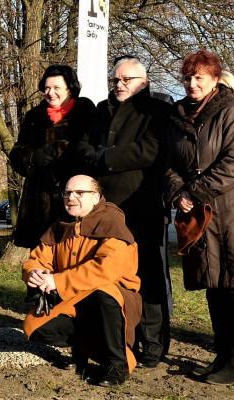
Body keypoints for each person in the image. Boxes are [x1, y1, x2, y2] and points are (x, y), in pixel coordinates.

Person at [163, 50, 234, 384]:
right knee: (214, 286)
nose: (193, 84)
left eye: (200, 77)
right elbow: (168, 163)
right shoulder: (177, 117)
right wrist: (177, 191)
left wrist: (192, 192)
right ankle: (223, 356)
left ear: (215, 79)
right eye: (188, 77)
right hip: (201, 219)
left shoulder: (232, 113)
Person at [87, 57, 171, 368]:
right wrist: (94, 156)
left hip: (142, 205)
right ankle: (119, 339)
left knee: (147, 276)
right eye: (116, 80)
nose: (119, 84)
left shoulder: (158, 111)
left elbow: (150, 150)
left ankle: (153, 344)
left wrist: (105, 156)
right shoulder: (101, 110)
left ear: (144, 82)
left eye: (127, 79)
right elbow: (84, 147)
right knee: (108, 273)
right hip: (105, 208)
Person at [23, 175, 142, 387]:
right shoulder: (60, 225)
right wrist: (35, 274)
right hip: (73, 297)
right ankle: (81, 352)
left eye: (80, 193)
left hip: (114, 299)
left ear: (96, 197)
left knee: (103, 292)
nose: (71, 197)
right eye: (68, 193)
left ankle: (117, 365)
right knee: (36, 327)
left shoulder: (111, 222)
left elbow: (107, 270)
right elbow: (36, 260)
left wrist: (57, 281)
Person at [9, 65, 95, 249]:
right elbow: (16, 153)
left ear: (69, 89)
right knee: (39, 266)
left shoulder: (86, 113)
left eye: (56, 88)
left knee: (71, 262)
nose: (50, 93)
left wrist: (60, 151)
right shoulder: (34, 116)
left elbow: (90, 150)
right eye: (47, 88)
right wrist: (31, 157)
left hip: (74, 201)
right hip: (38, 204)